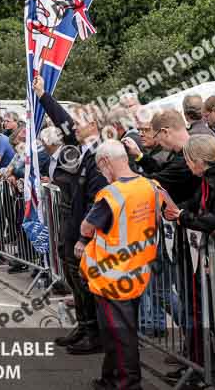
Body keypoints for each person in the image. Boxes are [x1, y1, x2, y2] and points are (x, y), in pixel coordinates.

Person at [77, 140, 164, 390]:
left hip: (111, 276)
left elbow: (87, 226)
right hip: (138, 269)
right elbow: (167, 212)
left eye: (99, 167)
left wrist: (84, 239)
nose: (101, 174)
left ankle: (128, 384)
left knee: (120, 335)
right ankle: (110, 379)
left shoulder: (111, 194)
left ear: (105, 162)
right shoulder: (150, 185)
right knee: (116, 333)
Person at [33, 74, 107, 355]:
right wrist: (42, 95)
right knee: (73, 278)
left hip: (84, 227)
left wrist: (85, 235)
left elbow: (97, 200)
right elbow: (62, 119)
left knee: (85, 280)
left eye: (79, 123)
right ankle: (84, 325)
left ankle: (95, 333)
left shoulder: (100, 154)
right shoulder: (81, 148)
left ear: (92, 125)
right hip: (71, 221)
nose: (72, 127)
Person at [164, 134, 215, 380]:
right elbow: (197, 204)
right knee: (203, 313)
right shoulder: (207, 178)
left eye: (188, 161)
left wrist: (183, 217)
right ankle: (201, 367)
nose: (187, 166)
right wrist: (180, 210)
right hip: (209, 261)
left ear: (199, 160)